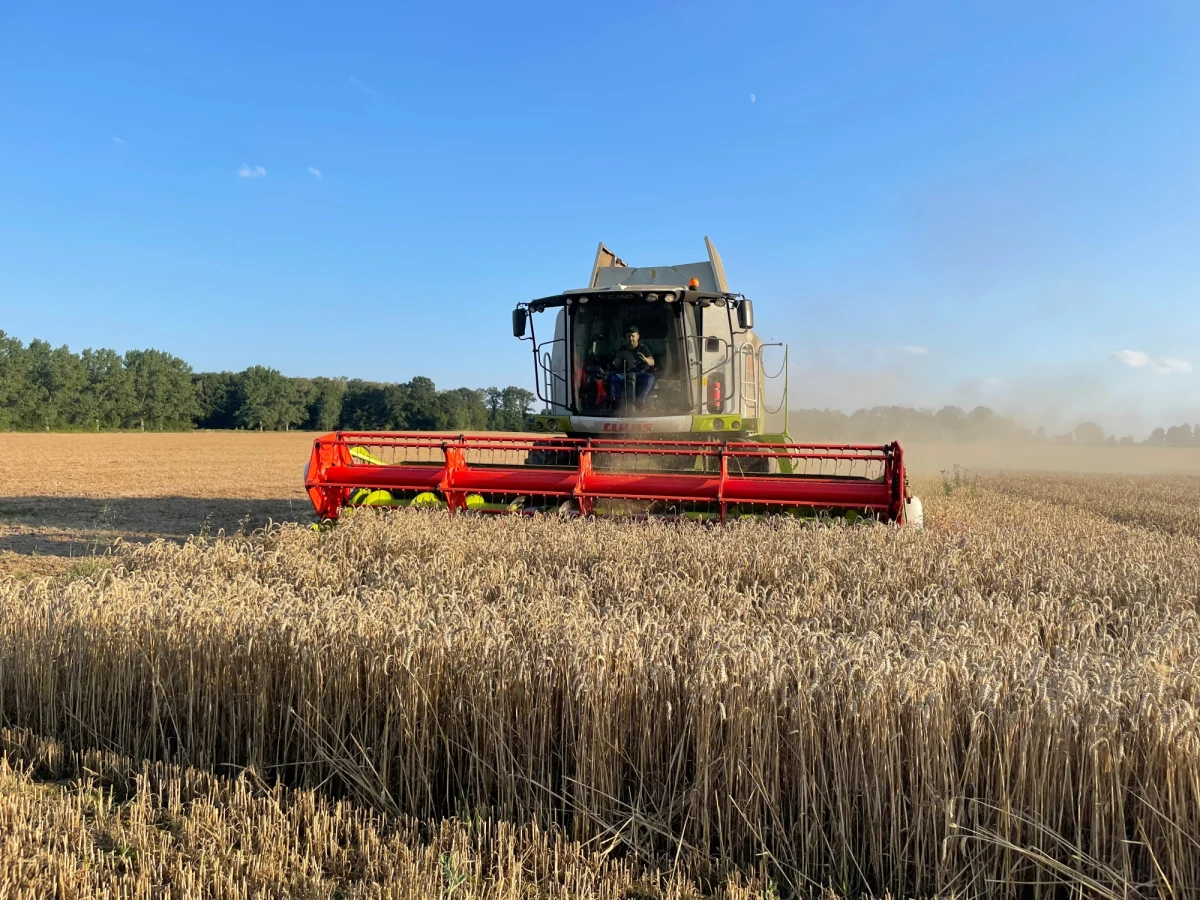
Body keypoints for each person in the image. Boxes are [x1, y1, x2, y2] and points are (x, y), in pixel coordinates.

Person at [607, 324, 656, 408]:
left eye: (633, 336)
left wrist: (645, 359)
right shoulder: (622, 349)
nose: (630, 338)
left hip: (639, 374)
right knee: (612, 377)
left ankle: (640, 401)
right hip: (624, 374)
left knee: (650, 378)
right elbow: (616, 362)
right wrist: (615, 363)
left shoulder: (643, 348)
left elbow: (652, 362)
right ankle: (617, 401)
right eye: (628, 336)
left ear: (638, 336)